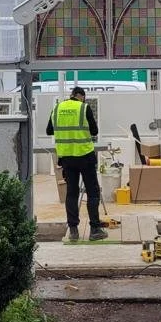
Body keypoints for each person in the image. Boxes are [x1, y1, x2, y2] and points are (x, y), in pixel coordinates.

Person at [47, 86, 107, 241]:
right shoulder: (84, 108)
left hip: (67, 158)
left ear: (71, 95)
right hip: (85, 156)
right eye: (84, 98)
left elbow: (49, 130)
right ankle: (95, 230)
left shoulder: (57, 108)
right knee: (93, 192)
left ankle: (73, 230)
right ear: (81, 96)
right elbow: (94, 131)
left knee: (72, 194)